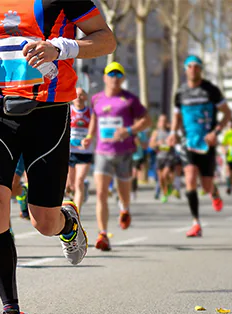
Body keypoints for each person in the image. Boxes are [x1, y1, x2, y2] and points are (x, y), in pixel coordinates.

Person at [0, 0, 115, 314]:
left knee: (43, 222)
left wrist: (60, 48)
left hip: (48, 113)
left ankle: (66, 222)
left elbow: (106, 40)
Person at [82, 62, 151, 251]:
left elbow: (147, 120)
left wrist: (128, 130)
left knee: (123, 194)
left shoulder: (129, 100)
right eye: (111, 74)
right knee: (102, 193)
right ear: (104, 77)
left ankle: (125, 209)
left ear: (123, 79)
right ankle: (102, 234)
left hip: (124, 153)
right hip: (103, 153)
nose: (114, 78)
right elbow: (94, 119)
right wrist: (89, 136)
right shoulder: (96, 99)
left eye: (118, 75)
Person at [168, 55, 231, 237]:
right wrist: (173, 133)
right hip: (188, 142)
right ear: (185, 69)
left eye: (196, 66)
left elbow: (227, 114)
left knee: (206, 186)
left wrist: (215, 133)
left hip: (207, 143)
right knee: (189, 178)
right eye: (190, 66)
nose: (193, 69)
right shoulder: (180, 93)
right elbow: (177, 117)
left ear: (201, 69)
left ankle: (214, 191)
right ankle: (196, 223)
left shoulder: (211, 90)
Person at [67, 87, 94, 211]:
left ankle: (76, 213)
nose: (79, 97)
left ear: (86, 97)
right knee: (69, 185)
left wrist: (88, 138)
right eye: (76, 94)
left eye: (82, 94)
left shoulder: (91, 113)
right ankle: (78, 191)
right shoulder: (68, 111)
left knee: (78, 181)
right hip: (69, 152)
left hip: (84, 152)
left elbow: (95, 130)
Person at [149, 114, 178, 203]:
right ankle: (165, 193)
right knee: (161, 178)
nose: (163, 123)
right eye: (161, 121)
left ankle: (169, 186)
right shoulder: (156, 132)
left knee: (165, 175)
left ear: (167, 122)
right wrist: (158, 143)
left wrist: (172, 142)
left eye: (164, 121)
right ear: (159, 122)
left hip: (169, 157)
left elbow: (177, 140)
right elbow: (151, 145)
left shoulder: (171, 132)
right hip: (160, 157)